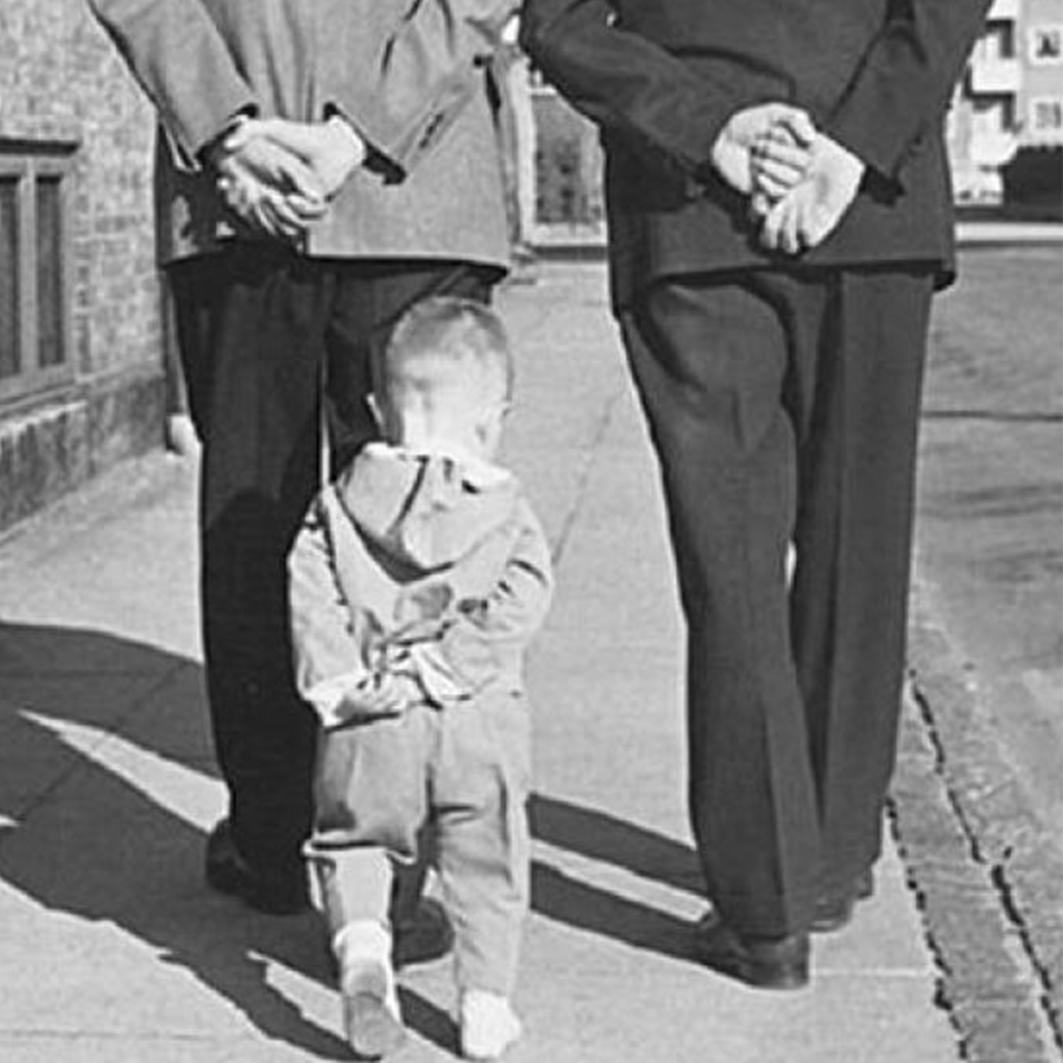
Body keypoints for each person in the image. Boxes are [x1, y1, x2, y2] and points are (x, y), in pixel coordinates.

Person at [520, 0, 992, 989]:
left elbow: (558, 24)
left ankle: (766, 907)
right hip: (870, 207)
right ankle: (822, 858)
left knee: (728, 559)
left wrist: (712, 129)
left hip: (691, 215)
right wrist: (847, 150)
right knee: (855, 547)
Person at [85, 0, 516, 916]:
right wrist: (286, 136)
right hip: (396, 189)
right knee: (399, 532)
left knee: (274, 525)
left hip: (285, 191)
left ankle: (286, 845)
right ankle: (376, 868)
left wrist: (232, 128)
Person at [288, 297, 552, 1060]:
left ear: (376, 408)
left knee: (355, 840)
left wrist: (340, 681)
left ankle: (366, 952)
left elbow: (310, 588)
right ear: (493, 418)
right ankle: (484, 1007)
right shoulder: (503, 509)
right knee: (486, 856)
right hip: (476, 715)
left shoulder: (339, 505)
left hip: (371, 714)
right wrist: (444, 666)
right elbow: (523, 595)